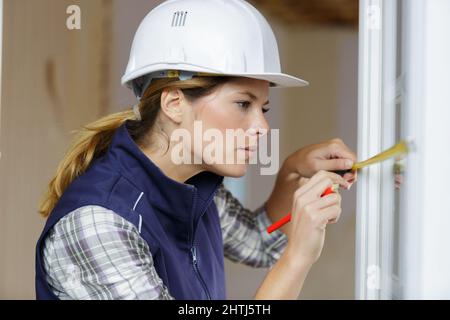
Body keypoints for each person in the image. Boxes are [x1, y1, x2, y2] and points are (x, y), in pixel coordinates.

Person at [35, 0, 357, 300]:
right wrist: (297, 259)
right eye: (243, 104)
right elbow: (280, 254)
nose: (262, 128)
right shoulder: (100, 224)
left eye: (264, 109)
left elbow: (260, 243)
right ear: (174, 103)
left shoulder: (195, 187)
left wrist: (292, 171)